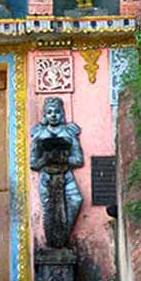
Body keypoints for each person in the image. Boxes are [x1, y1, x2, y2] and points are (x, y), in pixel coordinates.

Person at [30, 97, 84, 245]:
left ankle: (62, 238)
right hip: (46, 177)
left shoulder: (69, 133)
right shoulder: (39, 134)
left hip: (66, 175)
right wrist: (46, 159)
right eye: (49, 112)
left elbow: (78, 160)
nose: (53, 115)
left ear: (62, 114)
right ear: (45, 115)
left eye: (57, 112)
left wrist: (64, 158)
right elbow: (33, 164)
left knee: (76, 200)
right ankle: (52, 242)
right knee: (49, 209)